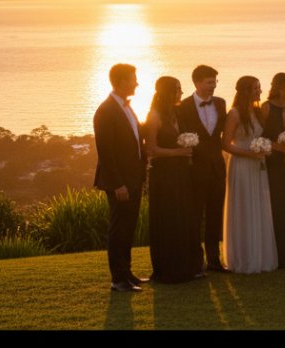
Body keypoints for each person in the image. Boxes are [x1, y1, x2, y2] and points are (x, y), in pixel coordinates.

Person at [93, 63, 148, 292]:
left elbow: (136, 138)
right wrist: (118, 184)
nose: (137, 83)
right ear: (122, 81)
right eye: (134, 78)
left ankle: (127, 273)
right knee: (119, 229)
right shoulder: (105, 111)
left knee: (129, 227)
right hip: (120, 182)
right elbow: (106, 152)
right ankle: (118, 279)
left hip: (133, 178)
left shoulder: (127, 108)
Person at [142, 75, 200, 284]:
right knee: (167, 219)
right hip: (163, 175)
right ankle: (168, 269)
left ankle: (186, 266)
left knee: (182, 218)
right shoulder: (154, 116)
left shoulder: (176, 113)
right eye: (177, 89)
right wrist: (180, 152)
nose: (181, 93)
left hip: (181, 173)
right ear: (168, 92)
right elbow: (151, 149)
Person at [222, 76, 278, 274]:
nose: (260, 92)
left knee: (259, 205)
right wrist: (249, 154)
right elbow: (226, 143)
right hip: (242, 165)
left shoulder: (257, 112)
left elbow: (261, 137)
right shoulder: (235, 114)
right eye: (256, 88)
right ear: (246, 91)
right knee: (245, 207)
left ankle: (260, 255)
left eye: (260, 88)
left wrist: (264, 149)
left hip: (258, 165)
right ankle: (244, 258)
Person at [177, 64, 228, 273]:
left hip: (216, 168)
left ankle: (214, 261)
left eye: (215, 82)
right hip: (194, 170)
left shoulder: (221, 103)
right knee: (195, 216)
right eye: (209, 82)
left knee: (215, 216)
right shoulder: (183, 106)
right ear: (197, 83)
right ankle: (195, 261)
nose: (213, 86)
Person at [262, 72, 285, 268]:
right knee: (275, 203)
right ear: (280, 87)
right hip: (273, 160)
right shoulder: (266, 107)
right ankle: (278, 254)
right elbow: (257, 136)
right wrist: (276, 147)